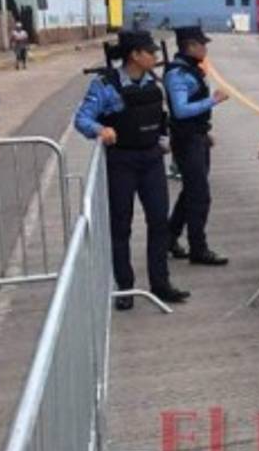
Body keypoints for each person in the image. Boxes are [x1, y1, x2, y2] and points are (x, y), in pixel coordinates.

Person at [74, 30, 189, 310]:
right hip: (121, 162)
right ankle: (124, 287)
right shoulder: (106, 85)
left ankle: (160, 284)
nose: (156, 56)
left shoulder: (153, 83)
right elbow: (82, 119)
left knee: (159, 222)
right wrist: (101, 129)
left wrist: (163, 142)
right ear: (135, 55)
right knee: (121, 226)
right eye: (151, 52)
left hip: (151, 161)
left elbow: (161, 120)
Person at [165, 26, 229, 266]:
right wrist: (212, 100)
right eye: (202, 44)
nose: (205, 49)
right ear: (190, 46)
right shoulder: (178, 74)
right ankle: (198, 248)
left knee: (192, 191)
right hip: (186, 140)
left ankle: (170, 237)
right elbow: (181, 111)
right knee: (199, 195)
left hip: (197, 137)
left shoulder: (190, 70)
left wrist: (204, 133)